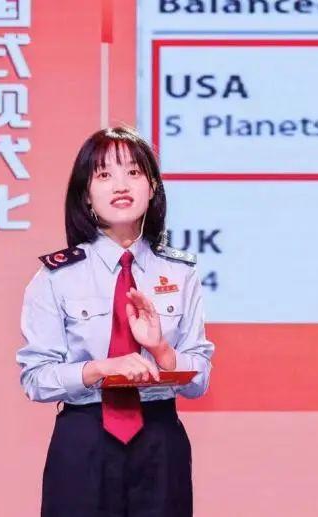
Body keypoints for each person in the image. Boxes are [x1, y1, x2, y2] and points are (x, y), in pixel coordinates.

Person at [16, 125, 214, 517]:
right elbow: (35, 378)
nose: (121, 185)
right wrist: (101, 369)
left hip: (160, 442)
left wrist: (161, 350)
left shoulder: (180, 273)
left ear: (152, 187)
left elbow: (201, 379)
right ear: (86, 195)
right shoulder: (56, 276)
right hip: (84, 440)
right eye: (104, 174)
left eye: (133, 172)